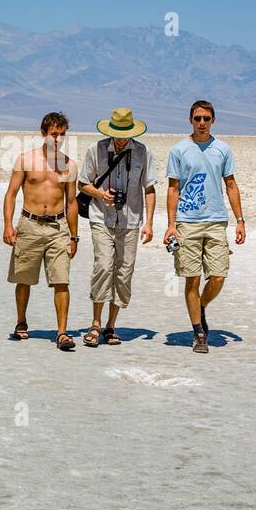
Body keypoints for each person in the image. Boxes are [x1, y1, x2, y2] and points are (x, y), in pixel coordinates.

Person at [163, 100, 246, 353]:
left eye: (206, 119)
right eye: (197, 118)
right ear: (190, 120)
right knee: (192, 278)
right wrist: (170, 225)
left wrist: (240, 220)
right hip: (187, 223)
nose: (201, 123)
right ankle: (199, 332)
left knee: (218, 276)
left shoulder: (222, 149)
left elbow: (231, 185)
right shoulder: (179, 150)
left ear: (213, 121)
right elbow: (173, 188)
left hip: (216, 221)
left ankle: (200, 306)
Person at [76, 107, 156, 347]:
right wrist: (101, 194)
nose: (121, 138)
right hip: (102, 217)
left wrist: (149, 223)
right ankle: (95, 323)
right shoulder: (96, 150)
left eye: (125, 132)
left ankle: (111, 326)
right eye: (117, 132)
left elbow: (150, 188)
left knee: (124, 271)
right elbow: (82, 184)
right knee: (103, 266)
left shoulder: (143, 152)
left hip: (131, 221)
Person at [3, 112, 79, 351]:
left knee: (61, 280)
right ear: (43, 133)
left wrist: (74, 236)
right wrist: (8, 224)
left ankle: (62, 332)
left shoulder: (69, 165)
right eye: (54, 134)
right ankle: (21, 322)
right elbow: (11, 193)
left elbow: (72, 202)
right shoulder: (25, 160)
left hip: (58, 227)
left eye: (62, 135)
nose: (58, 139)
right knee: (23, 278)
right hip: (30, 224)